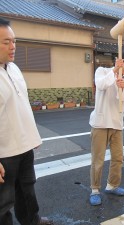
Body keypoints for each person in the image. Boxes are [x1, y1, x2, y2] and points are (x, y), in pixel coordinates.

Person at [0, 18, 54, 225]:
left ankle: (32, 220)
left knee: (27, 190)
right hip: (4, 153)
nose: (13, 46)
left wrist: (33, 136)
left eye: (14, 41)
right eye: (6, 42)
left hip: (24, 147)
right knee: (3, 202)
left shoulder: (13, 68)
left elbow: (21, 105)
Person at [89, 49, 124, 206]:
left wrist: (122, 87)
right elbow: (101, 85)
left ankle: (112, 185)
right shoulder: (102, 71)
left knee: (118, 158)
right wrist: (115, 71)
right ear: (120, 60)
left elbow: (123, 98)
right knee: (98, 159)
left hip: (117, 124)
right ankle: (95, 189)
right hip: (101, 123)